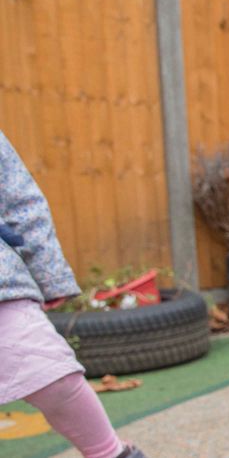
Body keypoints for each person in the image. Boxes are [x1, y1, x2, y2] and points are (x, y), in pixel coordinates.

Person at [0, 130, 147, 458]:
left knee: (54, 374)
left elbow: (20, 201)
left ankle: (109, 453)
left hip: (2, 290)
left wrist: (49, 275)